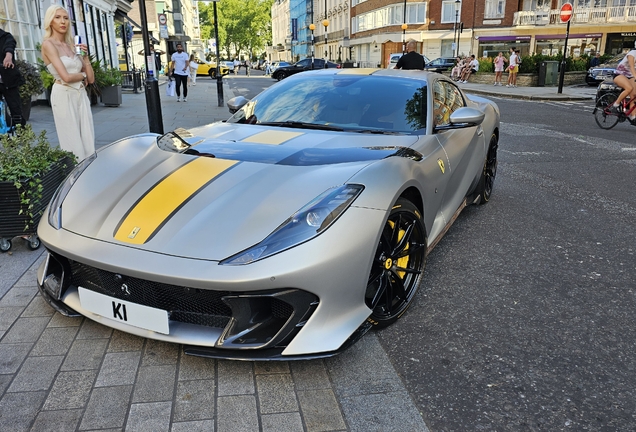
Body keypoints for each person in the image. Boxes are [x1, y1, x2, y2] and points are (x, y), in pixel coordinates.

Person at [41, 5, 95, 162]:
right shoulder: (48, 44)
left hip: (80, 95)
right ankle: (74, 181)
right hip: (63, 94)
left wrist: (85, 58)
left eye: (65, 18)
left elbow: (91, 80)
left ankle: (88, 175)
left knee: (87, 138)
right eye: (57, 17)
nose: (62, 21)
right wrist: (82, 74)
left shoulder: (73, 45)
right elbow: (65, 77)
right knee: (72, 142)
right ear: (50, 21)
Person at [0, 27, 25, 128]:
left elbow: (10, 45)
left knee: (16, 111)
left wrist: (8, 56)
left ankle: (21, 134)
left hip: (8, 81)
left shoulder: (6, 36)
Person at [608, 43, 636, 123]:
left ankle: (633, 117)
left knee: (634, 96)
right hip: (620, 74)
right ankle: (615, 105)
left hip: (630, 76)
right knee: (629, 88)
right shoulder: (632, 54)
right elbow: (631, 66)